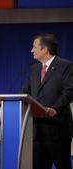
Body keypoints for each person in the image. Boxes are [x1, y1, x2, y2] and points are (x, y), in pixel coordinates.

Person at [21, 33, 73, 169]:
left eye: (34, 47)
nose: (32, 50)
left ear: (45, 49)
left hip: (58, 131)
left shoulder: (66, 66)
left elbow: (69, 91)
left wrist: (54, 108)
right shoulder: (34, 69)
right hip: (36, 132)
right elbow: (25, 91)